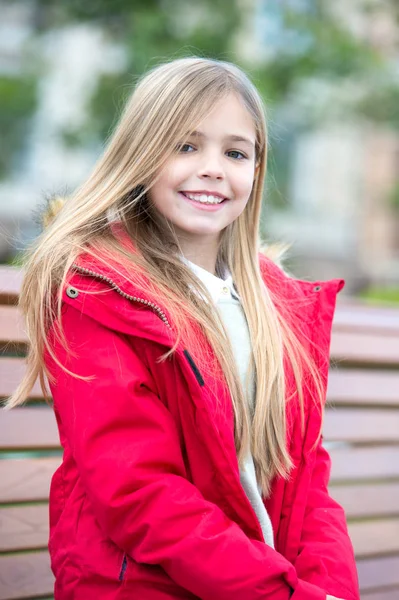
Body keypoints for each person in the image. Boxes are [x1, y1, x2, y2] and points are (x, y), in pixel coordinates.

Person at [7, 57, 359, 600]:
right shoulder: (98, 292)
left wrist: (328, 590)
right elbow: (139, 492)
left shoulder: (274, 306)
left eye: (236, 152)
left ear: (257, 172)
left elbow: (308, 483)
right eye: (186, 146)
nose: (214, 168)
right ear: (142, 155)